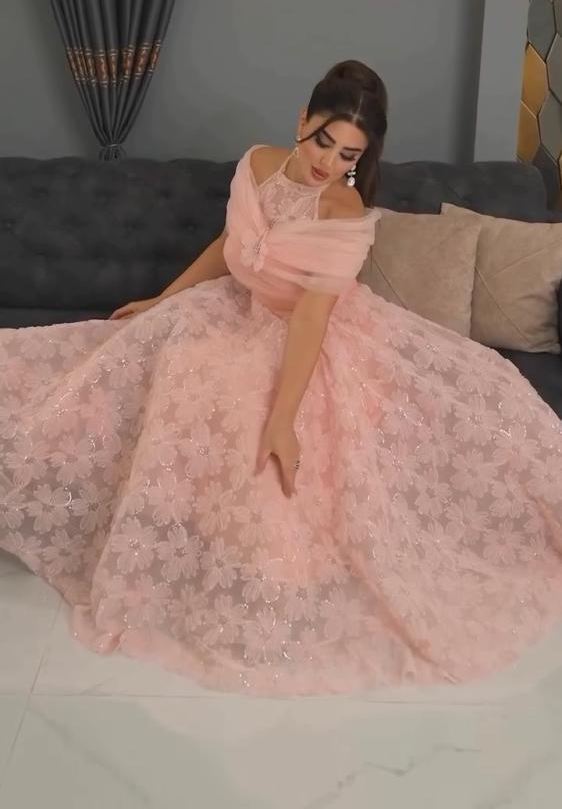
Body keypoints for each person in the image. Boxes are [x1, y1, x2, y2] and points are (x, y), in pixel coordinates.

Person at [1, 60, 562, 697]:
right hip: (234, 310)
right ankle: (173, 531)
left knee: (261, 422)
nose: (329, 162)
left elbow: (311, 319)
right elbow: (227, 246)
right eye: (323, 141)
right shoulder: (258, 164)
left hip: (310, 336)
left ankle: (273, 564)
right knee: (140, 362)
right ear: (302, 121)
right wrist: (162, 299)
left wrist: (283, 419)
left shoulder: (344, 209)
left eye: (348, 154)